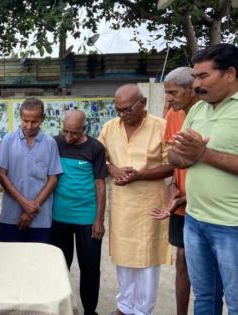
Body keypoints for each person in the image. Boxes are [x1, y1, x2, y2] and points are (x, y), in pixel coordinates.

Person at [168, 43, 238, 314]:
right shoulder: (198, 110)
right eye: (195, 77)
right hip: (195, 221)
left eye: (202, 76)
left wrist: (203, 154)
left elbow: (198, 154)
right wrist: (184, 155)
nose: (195, 84)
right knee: (205, 299)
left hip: (231, 226)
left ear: (230, 74)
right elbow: (174, 157)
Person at [98, 84, 172, 315]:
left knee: (147, 260)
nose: (121, 114)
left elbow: (172, 165)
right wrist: (112, 169)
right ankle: (125, 306)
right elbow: (100, 157)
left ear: (143, 104)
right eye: (118, 109)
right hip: (122, 204)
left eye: (127, 109)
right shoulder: (110, 127)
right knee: (123, 256)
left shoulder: (161, 127)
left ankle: (142, 310)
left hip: (150, 203)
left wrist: (140, 175)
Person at [152, 67, 198, 315]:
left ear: (192, 89)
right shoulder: (173, 115)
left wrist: (191, 193)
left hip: (207, 204)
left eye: (172, 92)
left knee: (210, 267)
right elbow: (174, 161)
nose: (168, 98)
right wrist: (173, 188)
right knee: (182, 261)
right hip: (180, 206)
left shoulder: (211, 115)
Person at [51, 109, 107, 315]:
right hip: (59, 217)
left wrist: (99, 219)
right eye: (65, 131)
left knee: (90, 268)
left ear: (85, 128)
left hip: (87, 217)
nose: (68, 137)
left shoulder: (96, 148)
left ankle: (90, 311)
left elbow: (100, 184)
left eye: (74, 133)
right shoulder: (54, 143)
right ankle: (58, 308)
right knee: (59, 267)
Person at [0, 97, 62, 243]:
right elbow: (1, 175)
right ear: (21, 118)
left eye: (34, 122)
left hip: (41, 217)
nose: (29, 126)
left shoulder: (50, 143)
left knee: (38, 261)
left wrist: (31, 209)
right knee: (9, 258)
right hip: (11, 215)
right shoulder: (8, 140)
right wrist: (23, 202)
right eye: (25, 121)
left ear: (43, 118)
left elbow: (53, 179)